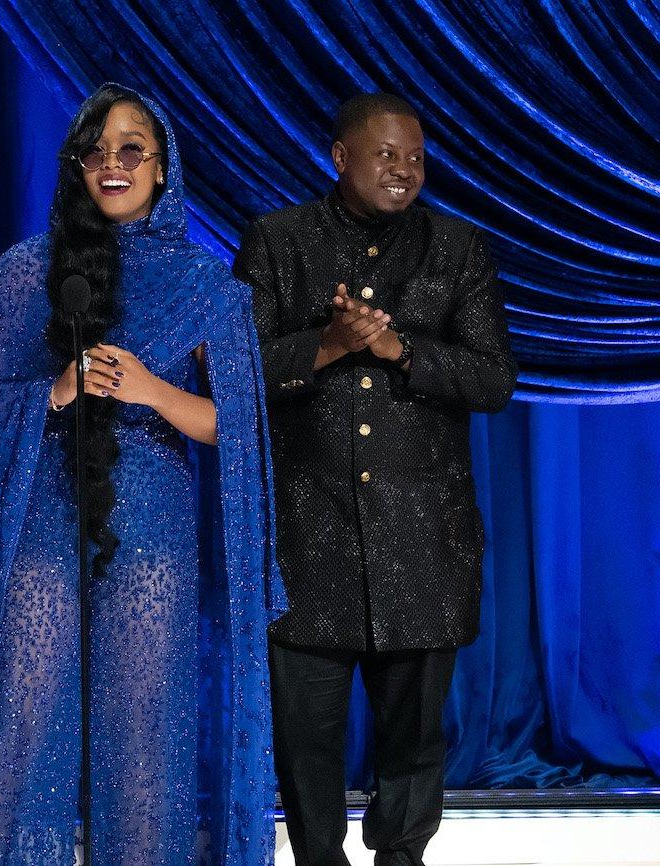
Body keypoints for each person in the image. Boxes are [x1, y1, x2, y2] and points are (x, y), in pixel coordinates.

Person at [0, 84, 285, 866]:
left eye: (131, 149)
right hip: (42, 520)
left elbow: (238, 428)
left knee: (143, 745)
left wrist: (152, 390)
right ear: (74, 168)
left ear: (161, 168)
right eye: (94, 150)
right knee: (22, 731)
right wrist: (56, 392)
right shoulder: (23, 272)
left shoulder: (206, 285)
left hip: (151, 531)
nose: (112, 164)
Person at [234, 93, 516, 866]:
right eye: (387, 153)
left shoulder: (458, 250)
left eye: (417, 157)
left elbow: (495, 380)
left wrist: (402, 352)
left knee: (415, 745)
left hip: (425, 549)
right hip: (307, 547)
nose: (405, 170)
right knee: (306, 745)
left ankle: (401, 856)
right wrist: (324, 346)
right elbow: (234, 374)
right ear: (340, 157)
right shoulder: (277, 242)